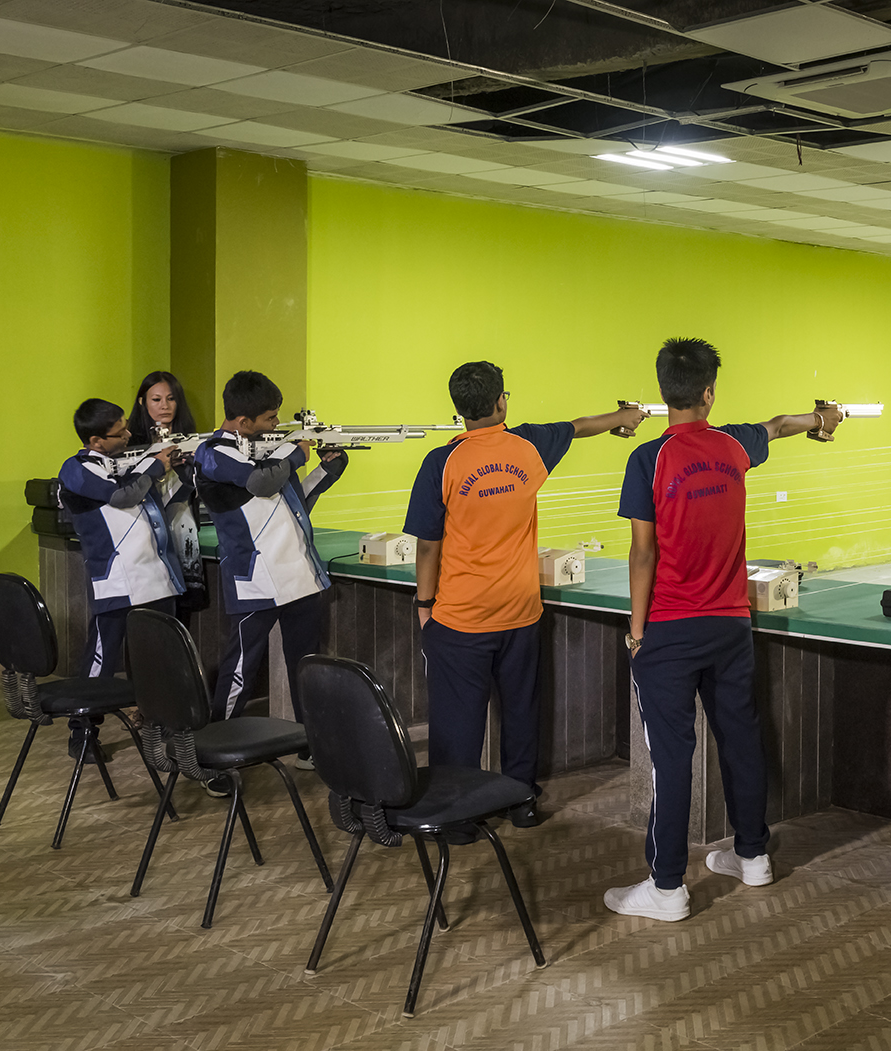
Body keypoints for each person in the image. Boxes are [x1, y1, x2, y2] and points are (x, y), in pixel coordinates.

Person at [604, 338, 843, 922]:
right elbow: (779, 425)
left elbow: (642, 553)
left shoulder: (649, 459)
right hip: (731, 625)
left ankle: (667, 888)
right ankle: (753, 856)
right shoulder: (733, 445)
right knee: (739, 738)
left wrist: (636, 630)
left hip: (669, 629)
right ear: (708, 393)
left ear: (665, 394)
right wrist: (822, 420)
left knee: (671, 758)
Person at [403, 361, 649, 830]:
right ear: (501, 402)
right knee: (520, 714)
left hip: (460, 618)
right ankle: (521, 802)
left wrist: (424, 606)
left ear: (460, 409)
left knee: (456, 724)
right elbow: (579, 426)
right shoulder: (529, 446)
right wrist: (623, 418)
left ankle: (456, 820)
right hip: (520, 613)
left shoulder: (441, 463)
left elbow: (428, 546)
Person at [194, 371, 346, 773]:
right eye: (270, 418)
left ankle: (310, 745)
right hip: (256, 579)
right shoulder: (212, 454)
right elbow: (261, 485)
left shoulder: (267, 451)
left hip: (299, 576)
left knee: (306, 668)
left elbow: (293, 505)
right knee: (239, 671)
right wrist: (295, 453)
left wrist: (327, 471)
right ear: (243, 422)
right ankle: (212, 759)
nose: (277, 424)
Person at [56, 398, 185, 758]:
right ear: (95, 441)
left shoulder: (127, 463)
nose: (129, 435)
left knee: (160, 658)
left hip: (157, 575)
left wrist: (177, 470)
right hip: (116, 578)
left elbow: (161, 500)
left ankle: (162, 725)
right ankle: (82, 733)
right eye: (120, 432)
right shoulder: (76, 469)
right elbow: (121, 495)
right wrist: (154, 465)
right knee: (101, 659)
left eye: (127, 427)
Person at [129, 370, 207, 612]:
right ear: (142, 402)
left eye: (171, 399)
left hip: (182, 527)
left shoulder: (192, 441)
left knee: (180, 613)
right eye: (156, 399)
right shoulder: (130, 445)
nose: (164, 406)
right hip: (142, 535)